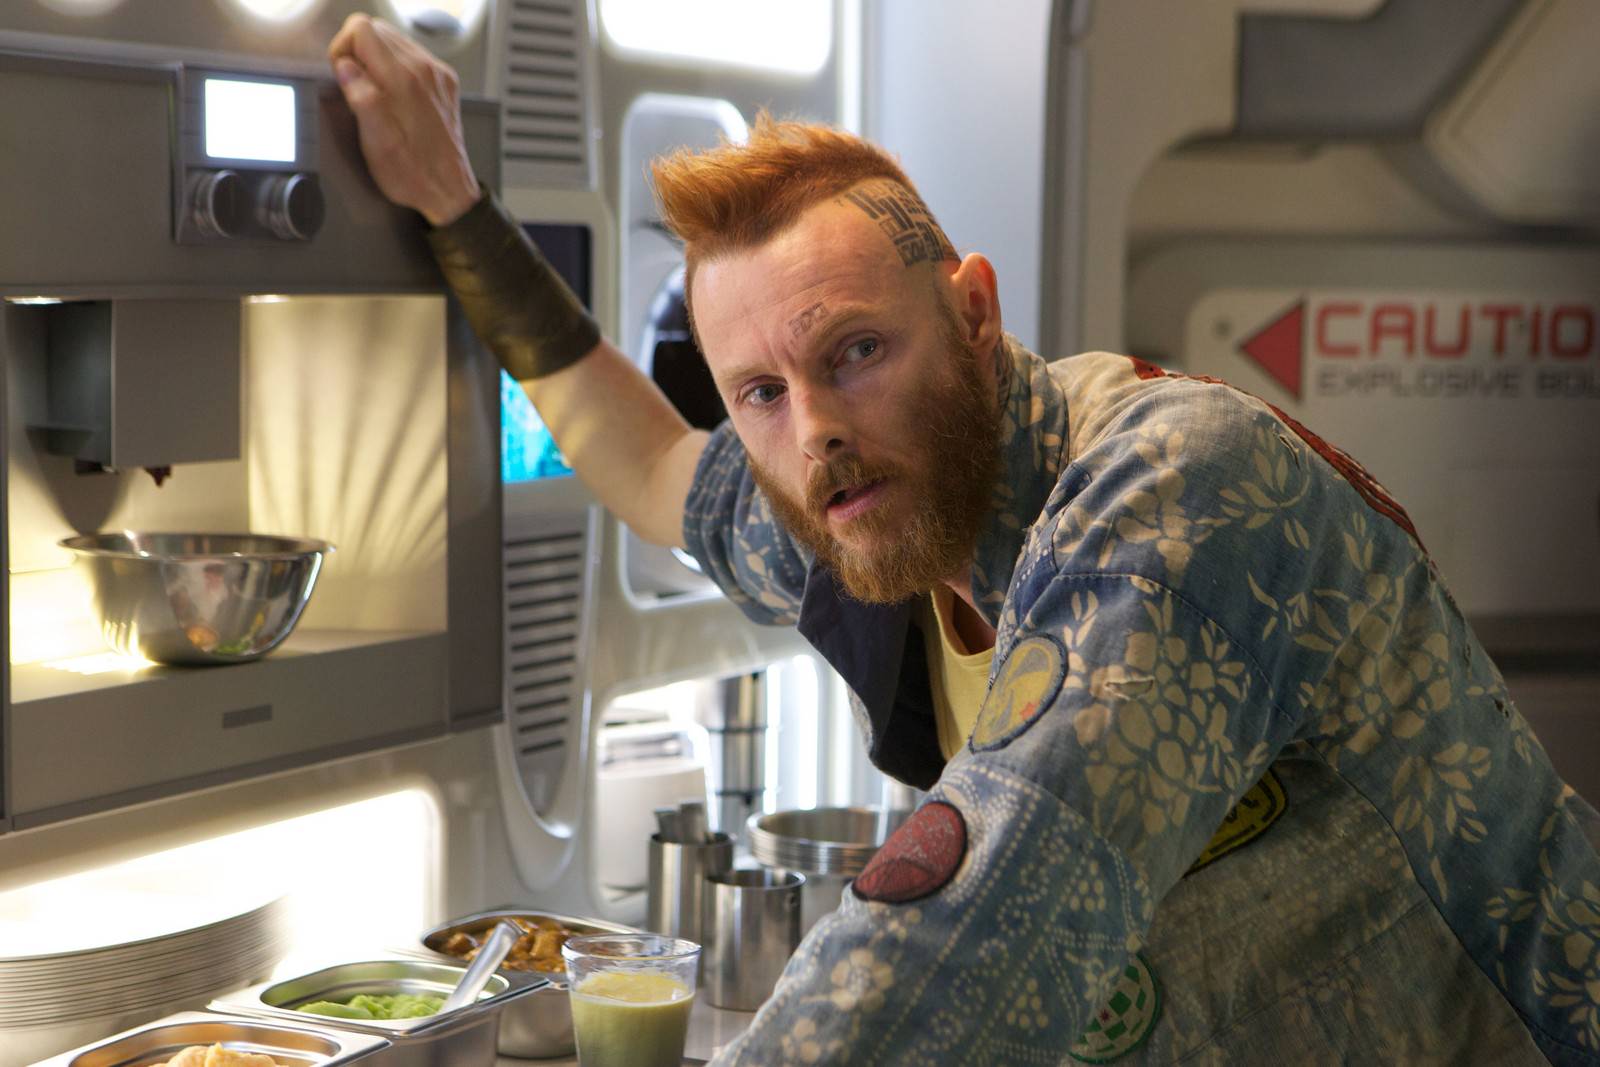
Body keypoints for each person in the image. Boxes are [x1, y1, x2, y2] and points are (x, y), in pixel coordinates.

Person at [329, 15, 1600, 1065]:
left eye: (856, 351)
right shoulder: (863, 501)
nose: (813, 428)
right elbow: (658, 464)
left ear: (973, 312)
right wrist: (455, 206)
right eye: (760, 391)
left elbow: (966, 939)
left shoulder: (1174, 490)